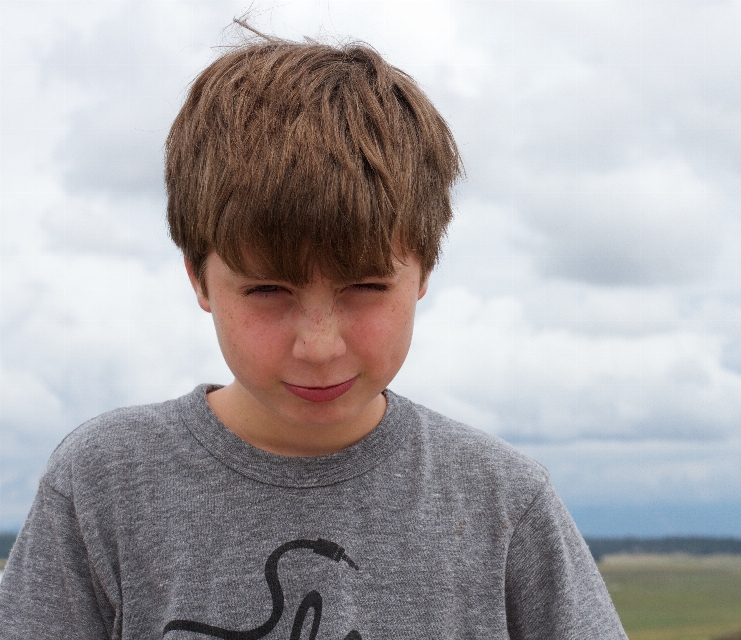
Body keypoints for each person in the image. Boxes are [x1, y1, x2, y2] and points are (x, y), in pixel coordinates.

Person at [0, 27, 627, 639]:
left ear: (425, 271)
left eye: (366, 287)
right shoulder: (104, 482)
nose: (319, 346)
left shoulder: (504, 503)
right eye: (268, 290)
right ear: (198, 277)